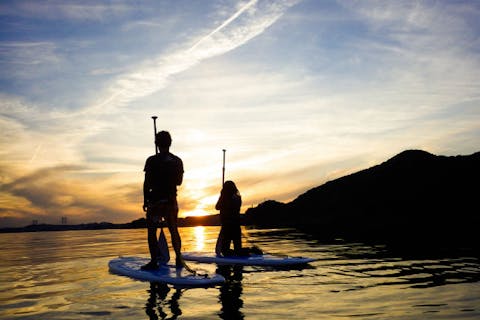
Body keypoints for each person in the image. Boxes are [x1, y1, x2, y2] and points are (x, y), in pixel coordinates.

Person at [142, 131, 184, 270]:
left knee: (152, 231)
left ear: (156, 144)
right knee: (174, 230)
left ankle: (154, 261)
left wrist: (145, 200)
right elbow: (179, 182)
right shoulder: (177, 161)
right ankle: (179, 259)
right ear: (170, 143)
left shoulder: (151, 160)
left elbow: (146, 183)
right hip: (171, 201)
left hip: (155, 202)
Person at [215, 180, 243, 256]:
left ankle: (239, 252)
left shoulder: (225, 198)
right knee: (238, 249)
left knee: (224, 251)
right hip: (236, 226)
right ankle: (242, 252)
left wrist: (221, 195)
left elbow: (217, 207)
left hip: (227, 227)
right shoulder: (238, 197)